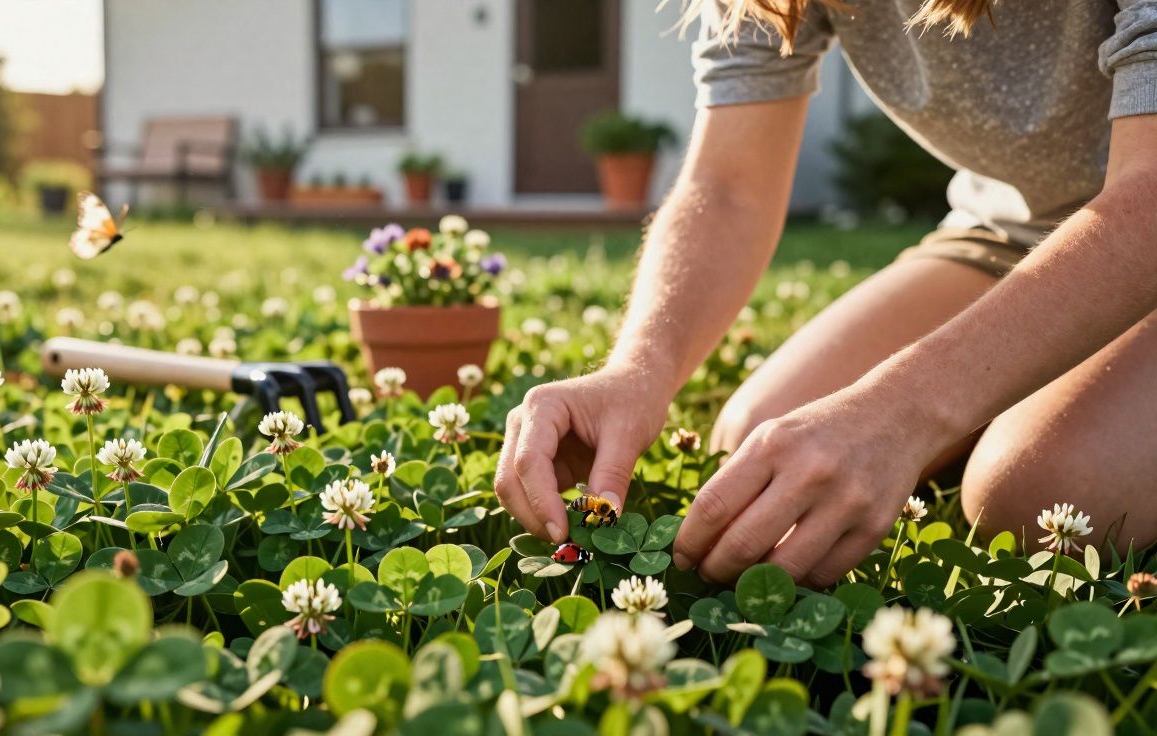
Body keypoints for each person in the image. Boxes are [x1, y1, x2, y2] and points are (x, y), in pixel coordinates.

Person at [495, 0, 1157, 588]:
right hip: (1009, 232)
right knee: (756, 447)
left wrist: (904, 412)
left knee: (1041, 502)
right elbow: (729, 187)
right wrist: (638, 370)